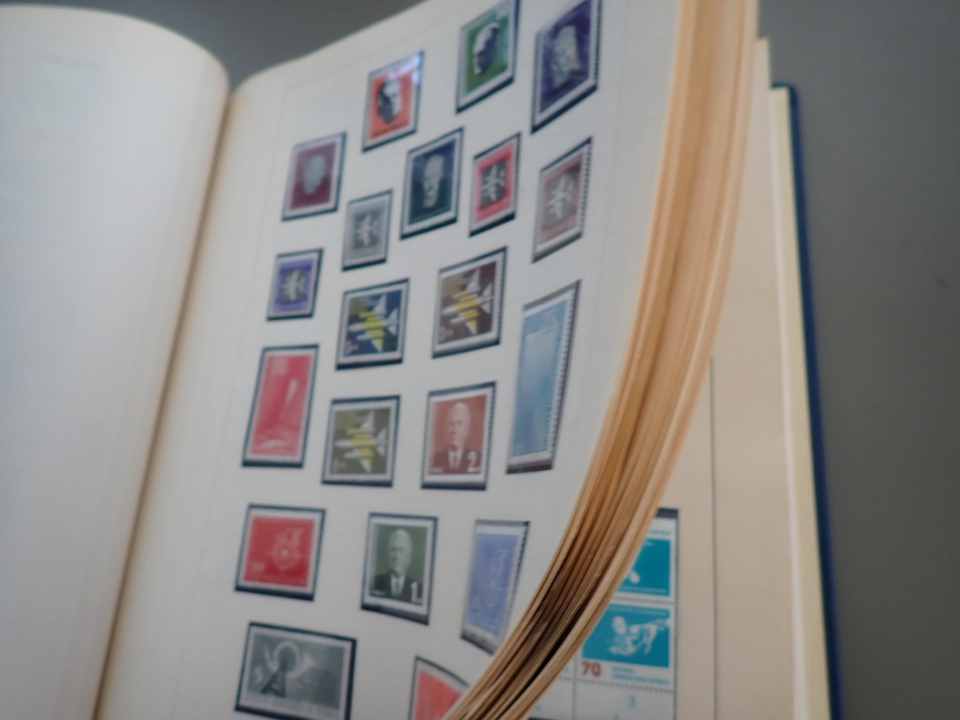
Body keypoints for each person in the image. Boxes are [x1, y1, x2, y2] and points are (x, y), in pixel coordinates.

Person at [371, 528, 422, 603]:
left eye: (401, 550)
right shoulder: (375, 582)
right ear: (387, 554)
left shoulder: (418, 588)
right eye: (393, 550)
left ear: (409, 557)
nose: (396, 556)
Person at [431, 401, 481, 474]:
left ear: (467, 429)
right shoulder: (436, 459)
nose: (454, 430)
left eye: (459, 423)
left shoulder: (477, 459)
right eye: (451, 424)